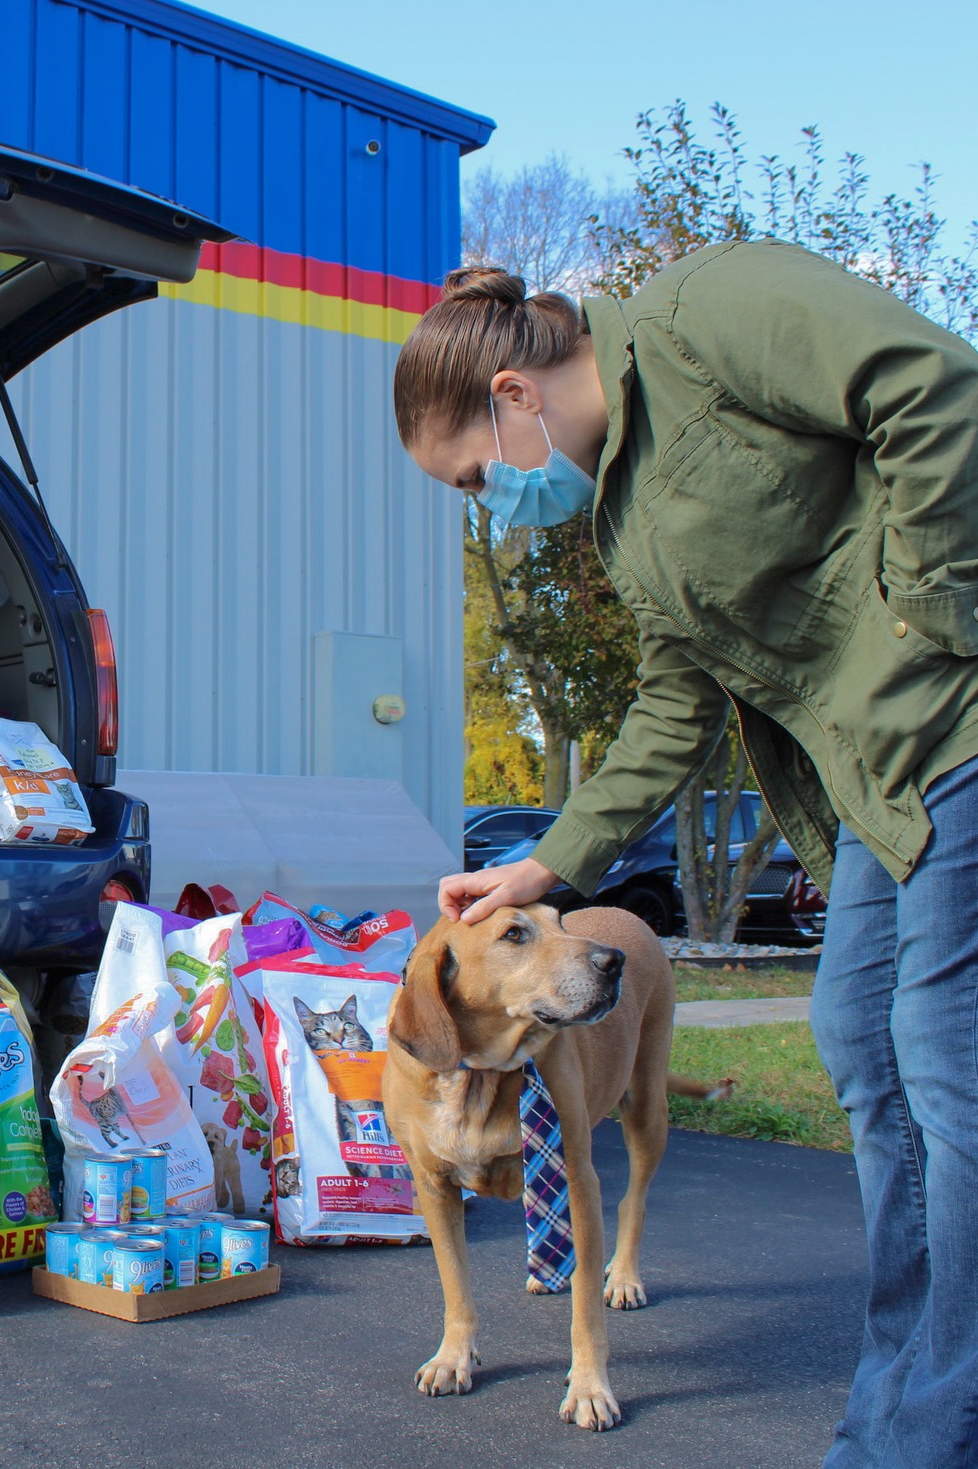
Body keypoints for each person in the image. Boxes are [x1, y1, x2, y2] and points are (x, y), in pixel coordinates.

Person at [394, 240, 978, 1467]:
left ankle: (928, 1430)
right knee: (860, 1043)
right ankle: (899, 1408)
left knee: (936, 1054)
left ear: (512, 399)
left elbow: (932, 389)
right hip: (878, 779)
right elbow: (674, 711)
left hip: (957, 710)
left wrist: (930, 619)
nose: (487, 506)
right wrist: (540, 869)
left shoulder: (708, 314)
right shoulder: (623, 528)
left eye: (468, 482)